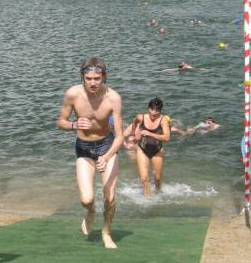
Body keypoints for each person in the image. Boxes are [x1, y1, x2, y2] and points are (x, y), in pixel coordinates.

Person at [57, 57, 123, 248]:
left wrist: (107, 156)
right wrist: (74, 124)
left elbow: (120, 136)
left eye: (97, 78)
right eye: (88, 79)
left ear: (104, 77)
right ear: (82, 77)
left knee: (110, 198)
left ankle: (106, 233)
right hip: (84, 148)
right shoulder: (73, 94)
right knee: (86, 199)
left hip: (107, 146)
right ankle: (91, 211)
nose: (93, 83)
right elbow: (60, 121)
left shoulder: (113, 98)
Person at [125, 98, 171, 197]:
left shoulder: (163, 120)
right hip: (142, 149)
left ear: (160, 111)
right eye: (152, 109)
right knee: (144, 179)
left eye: (157, 110)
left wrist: (150, 134)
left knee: (157, 178)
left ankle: (159, 193)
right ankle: (148, 199)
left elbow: (167, 138)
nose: (154, 112)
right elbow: (135, 122)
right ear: (148, 108)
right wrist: (133, 133)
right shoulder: (141, 117)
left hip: (157, 150)